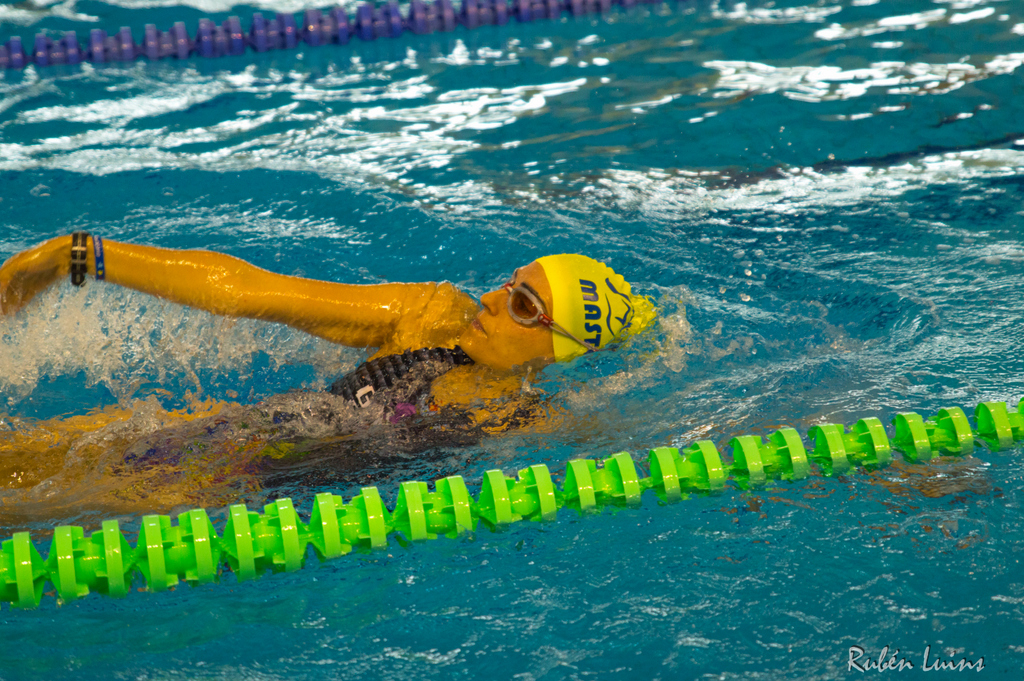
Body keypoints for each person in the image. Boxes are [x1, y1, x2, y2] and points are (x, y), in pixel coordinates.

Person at [0, 233, 656, 507]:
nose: (490, 298)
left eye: (521, 304)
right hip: (219, 431)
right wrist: (81, 255)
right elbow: (255, 290)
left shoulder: (528, 420)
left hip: (222, 491)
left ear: (561, 349)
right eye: (509, 283)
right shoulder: (431, 315)